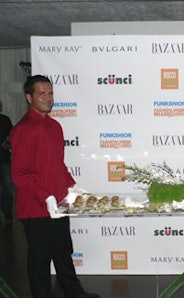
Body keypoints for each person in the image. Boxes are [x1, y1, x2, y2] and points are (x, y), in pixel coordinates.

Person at [10, 75, 100, 298]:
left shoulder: (55, 127)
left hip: (59, 204)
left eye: (50, 93)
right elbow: (19, 174)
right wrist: (45, 196)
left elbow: (57, 164)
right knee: (40, 258)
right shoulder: (23, 130)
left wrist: (72, 185)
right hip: (35, 207)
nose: (48, 98)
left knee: (62, 251)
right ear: (29, 97)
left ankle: (73, 291)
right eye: (41, 93)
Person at [0, 99, 15, 222]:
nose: (1, 104)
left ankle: (8, 212)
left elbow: (12, 137)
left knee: (7, 188)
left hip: (4, 160)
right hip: (4, 160)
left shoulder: (5, 120)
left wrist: (8, 144)